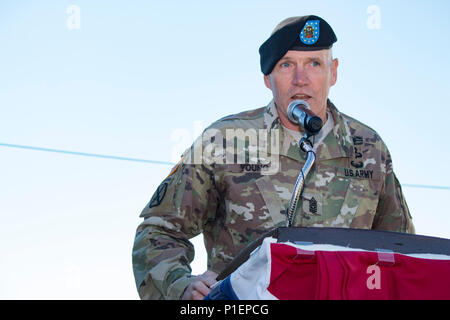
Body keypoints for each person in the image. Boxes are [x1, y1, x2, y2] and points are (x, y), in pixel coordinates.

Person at [132, 15, 415, 300]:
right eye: (286, 65)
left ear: (334, 72)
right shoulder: (224, 140)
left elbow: (405, 251)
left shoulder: (369, 147)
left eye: (314, 64)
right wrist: (179, 287)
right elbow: (157, 231)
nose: (300, 79)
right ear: (268, 79)